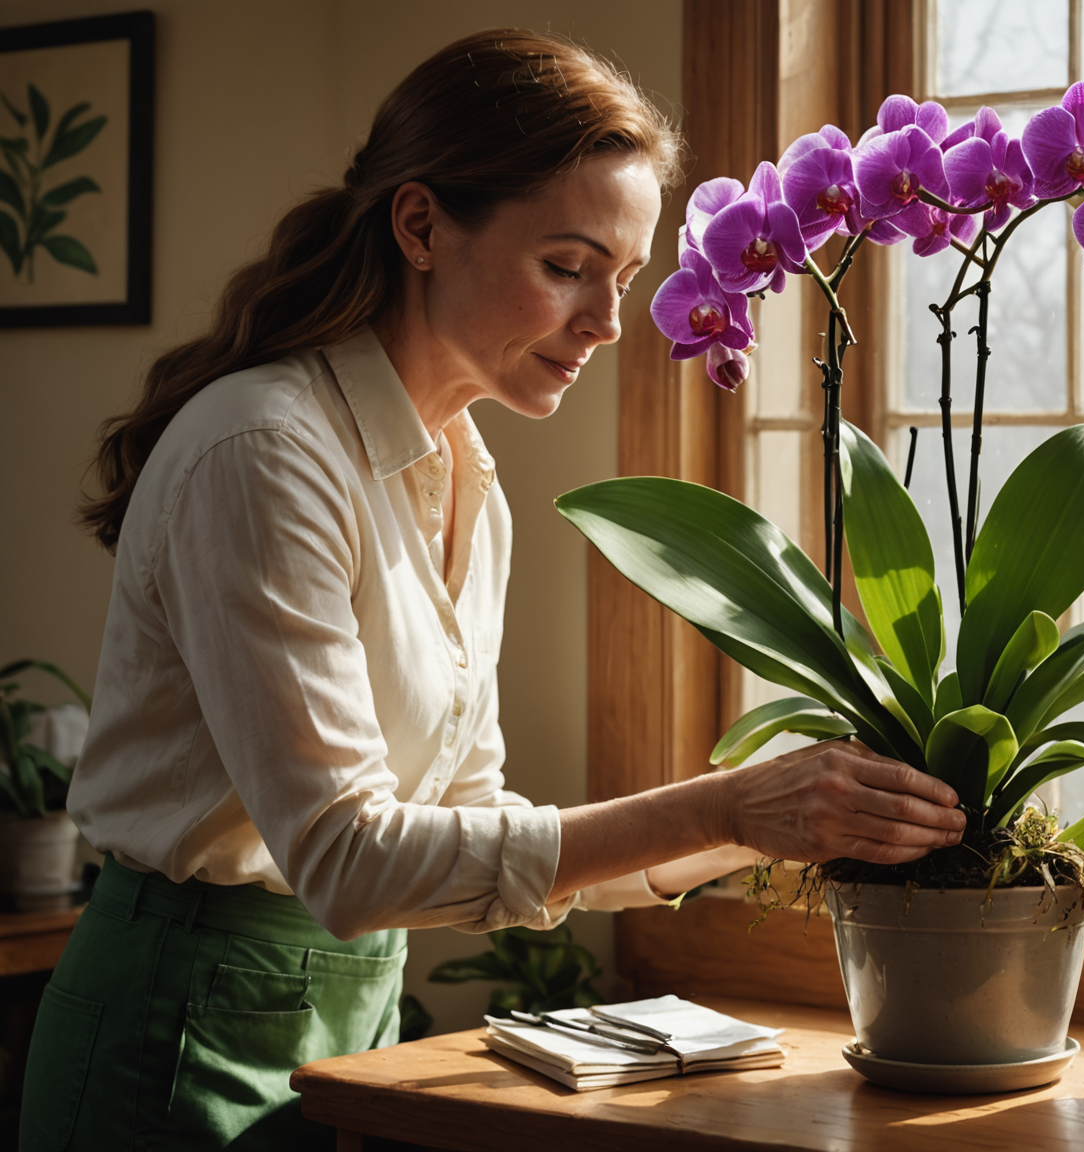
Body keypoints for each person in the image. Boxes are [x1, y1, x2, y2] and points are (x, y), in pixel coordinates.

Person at [20, 30, 964, 1151]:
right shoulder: (263, 450)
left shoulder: (466, 471)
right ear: (420, 225)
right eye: (567, 267)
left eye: (623, 278)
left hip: (357, 1026)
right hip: (174, 1028)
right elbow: (349, 858)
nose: (609, 324)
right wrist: (717, 806)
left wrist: (774, 822)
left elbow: (471, 831)